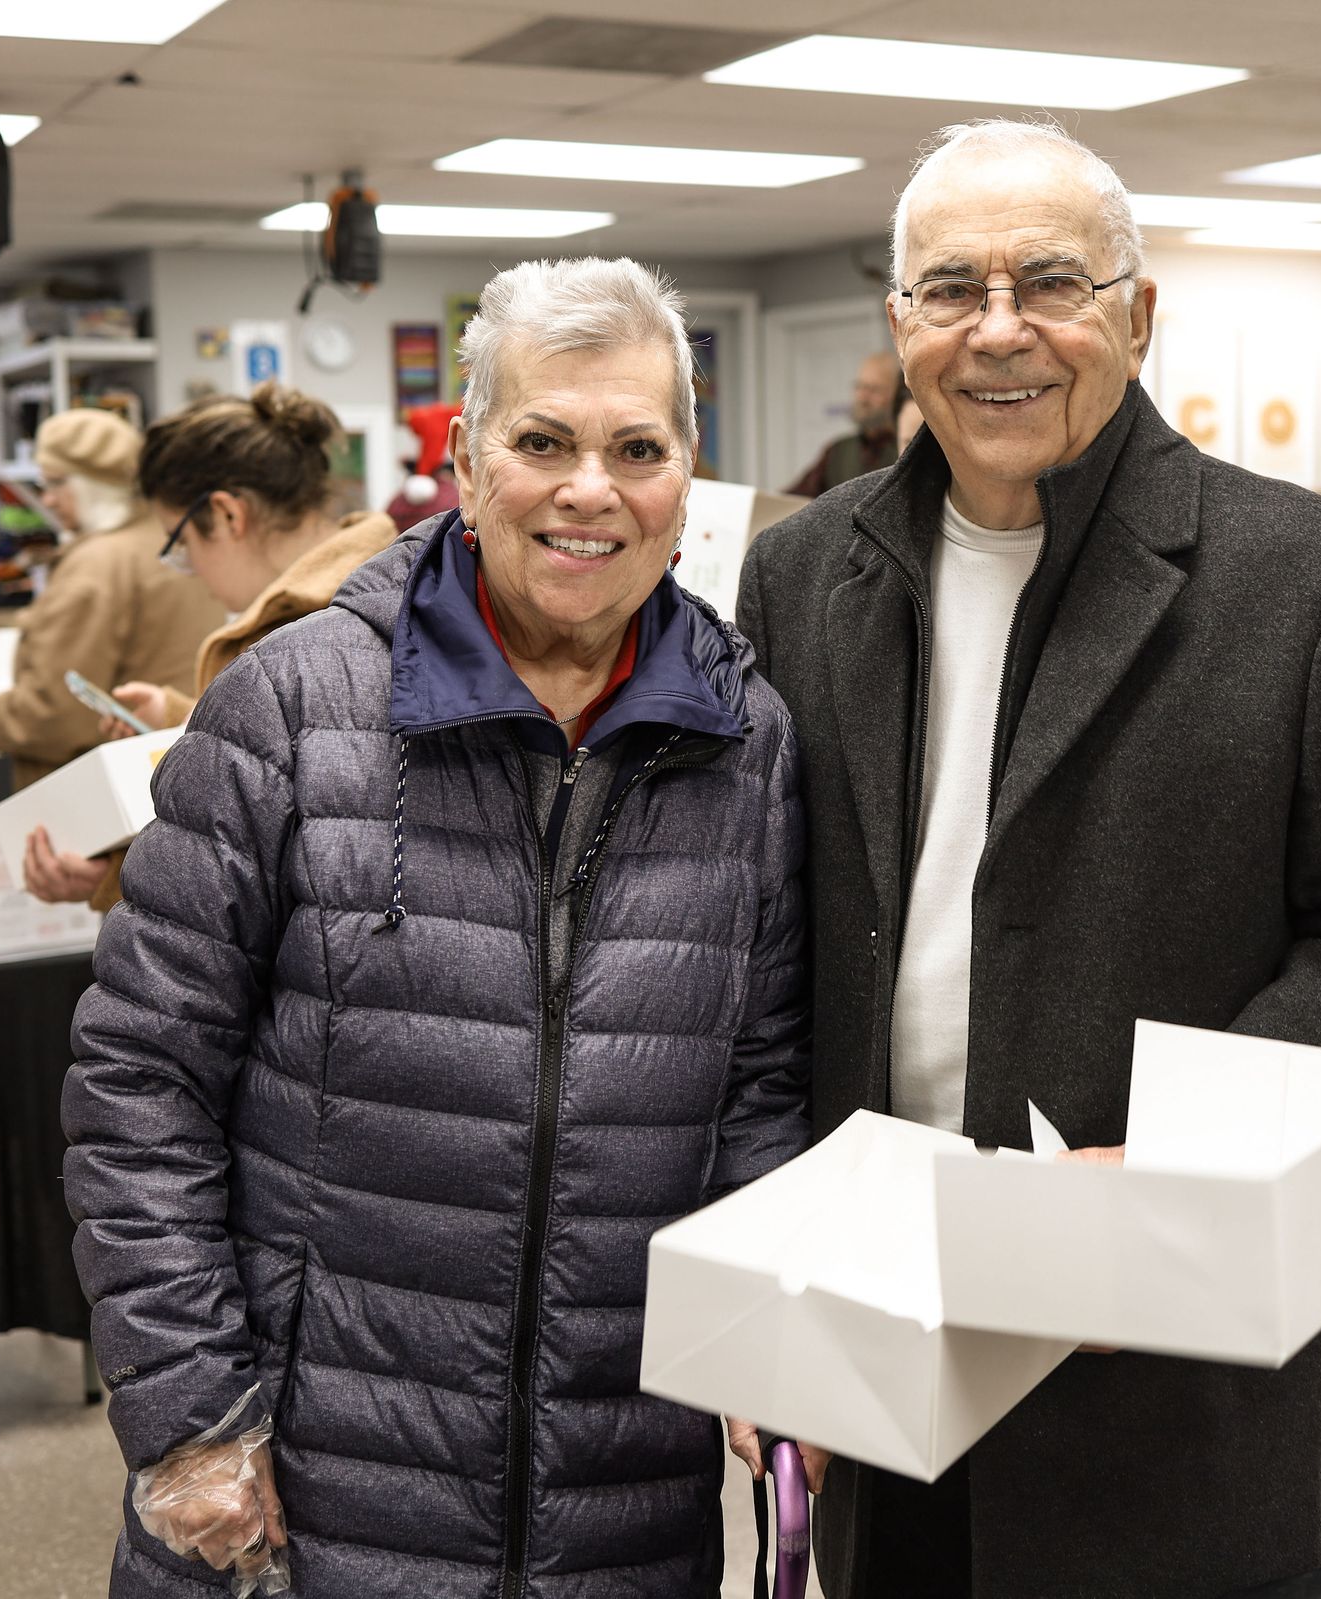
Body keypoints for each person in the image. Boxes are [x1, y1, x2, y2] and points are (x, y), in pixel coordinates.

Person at [737, 117, 1321, 1599]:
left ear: (1138, 316)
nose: (997, 330)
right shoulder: (804, 572)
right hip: (880, 1328)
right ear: (899, 323)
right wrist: (770, 1275)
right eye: (950, 288)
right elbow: (764, 944)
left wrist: (1176, 1152)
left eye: (1050, 283)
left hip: (1167, 1356)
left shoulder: (1311, 577)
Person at [64, 256, 814, 1599]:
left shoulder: (745, 739)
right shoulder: (293, 708)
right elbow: (140, 1078)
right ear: (466, 459)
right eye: (544, 442)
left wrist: (767, 1322)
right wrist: (189, 1410)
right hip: (308, 1484)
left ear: (685, 478)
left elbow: (755, 1089)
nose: (590, 489)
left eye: (637, 449)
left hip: (622, 1496)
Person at [19, 382, 399, 908]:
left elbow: (286, 870)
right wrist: (185, 717)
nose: (191, 570)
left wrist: (110, 877)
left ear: (226, 515)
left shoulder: (300, 641)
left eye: (183, 544)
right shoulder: (387, 584)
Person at [0, 409, 224, 788]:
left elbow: (53, 712)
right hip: (171, 767)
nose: (47, 499)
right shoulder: (172, 538)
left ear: (92, 485)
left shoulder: (96, 564)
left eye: (55, 482)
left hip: (98, 785)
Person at [785, 350, 901, 496]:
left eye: (874, 389)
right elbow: (796, 497)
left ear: (897, 394)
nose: (863, 398)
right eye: (859, 387)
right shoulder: (837, 451)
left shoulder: (907, 446)